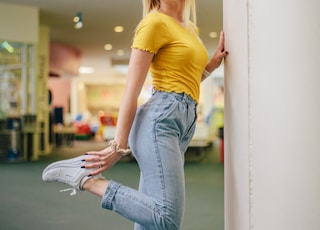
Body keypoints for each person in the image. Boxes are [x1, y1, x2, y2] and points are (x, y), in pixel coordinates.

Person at [42, 0, 228, 229]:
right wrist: (117, 147)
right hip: (161, 122)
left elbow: (186, 81)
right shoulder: (153, 23)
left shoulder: (190, 27)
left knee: (149, 218)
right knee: (166, 219)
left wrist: (210, 66)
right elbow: (131, 90)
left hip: (182, 122)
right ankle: (87, 180)